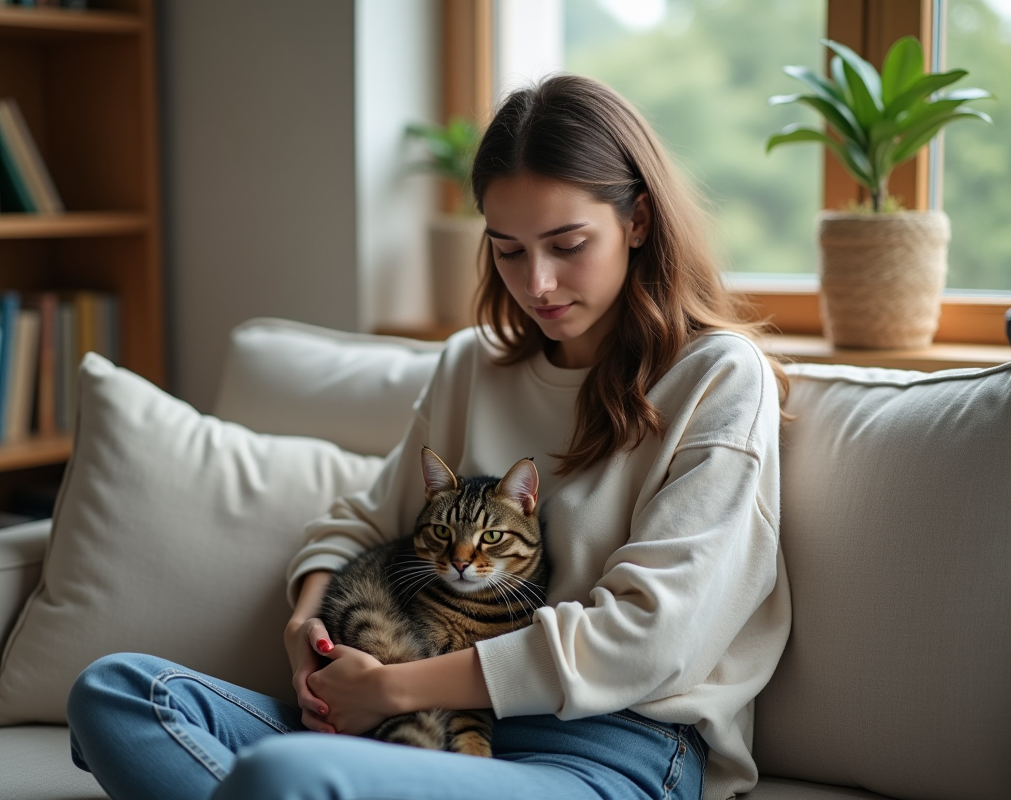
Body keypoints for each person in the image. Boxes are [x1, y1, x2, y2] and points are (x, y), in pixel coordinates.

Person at [67, 74, 791, 800]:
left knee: (281, 776)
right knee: (119, 691)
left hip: (607, 744)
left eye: (567, 245)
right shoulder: (471, 365)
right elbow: (362, 522)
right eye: (508, 250)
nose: (537, 284)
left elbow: (651, 637)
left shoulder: (718, 378)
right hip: (419, 717)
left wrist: (393, 690)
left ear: (637, 220)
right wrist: (304, 630)